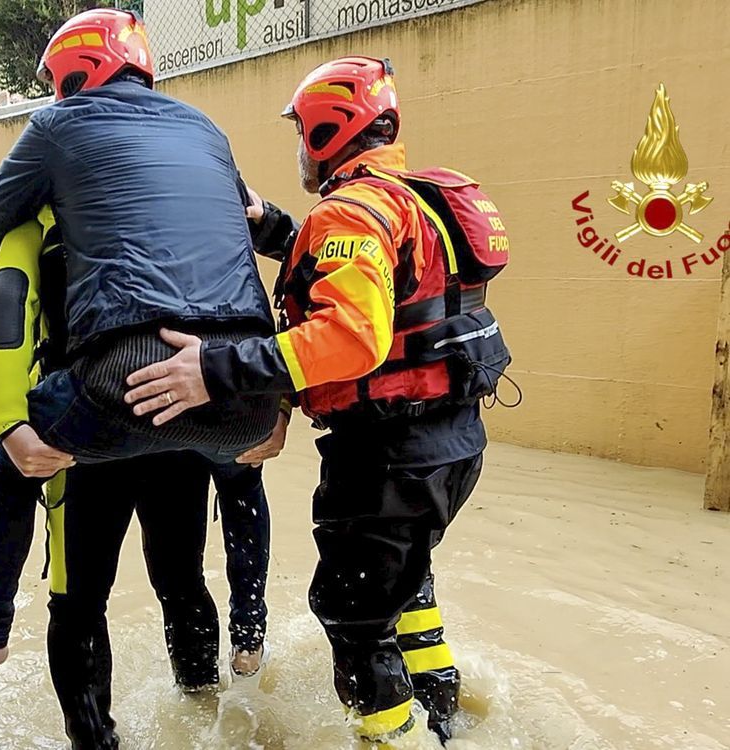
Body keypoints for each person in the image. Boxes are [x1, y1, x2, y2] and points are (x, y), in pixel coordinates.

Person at [126, 56, 513, 746]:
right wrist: (269, 224)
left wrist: (215, 370)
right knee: (407, 591)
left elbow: (353, 337)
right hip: (453, 445)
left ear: (330, 131)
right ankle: (448, 723)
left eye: (303, 133)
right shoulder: (409, 197)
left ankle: (391, 737)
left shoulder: (349, 214)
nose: (301, 149)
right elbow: (381, 278)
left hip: (387, 456)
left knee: (353, 618)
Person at [0, 183, 285, 748]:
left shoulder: (38, 214)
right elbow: (250, 303)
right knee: (181, 578)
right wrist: (273, 404)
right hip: (184, 414)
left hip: (88, 430)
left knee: (79, 599)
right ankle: (217, 687)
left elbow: (8, 302)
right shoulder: (189, 203)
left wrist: (8, 420)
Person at [0, 8, 279, 467]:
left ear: (72, 74)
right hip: (250, 390)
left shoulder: (58, 125)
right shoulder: (208, 129)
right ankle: (252, 541)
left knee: (8, 458)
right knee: (236, 475)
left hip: (123, 382)